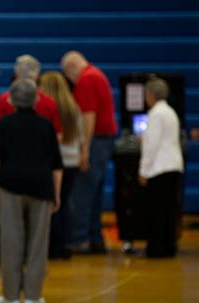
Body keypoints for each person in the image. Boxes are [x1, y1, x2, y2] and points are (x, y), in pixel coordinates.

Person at [0, 79, 63, 303]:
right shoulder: (46, 125)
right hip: (41, 188)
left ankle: (10, 297)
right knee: (38, 243)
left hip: (10, 188)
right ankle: (32, 296)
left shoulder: (4, 124)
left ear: (10, 99)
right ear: (36, 99)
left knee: (11, 242)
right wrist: (56, 194)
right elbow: (56, 165)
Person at [61, 51, 118, 254]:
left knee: (82, 192)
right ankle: (95, 237)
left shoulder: (86, 80)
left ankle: (80, 239)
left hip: (95, 142)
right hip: (105, 140)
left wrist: (84, 150)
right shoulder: (97, 74)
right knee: (94, 192)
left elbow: (88, 117)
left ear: (71, 68)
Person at [40, 71, 84, 259]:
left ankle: (52, 246)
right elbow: (80, 136)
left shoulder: (48, 108)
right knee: (64, 203)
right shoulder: (73, 107)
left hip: (54, 162)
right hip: (72, 161)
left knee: (51, 206)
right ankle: (66, 243)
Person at [139, 78, 184, 258]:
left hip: (159, 167)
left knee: (156, 210)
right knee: (168, 210)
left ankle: (156, 248)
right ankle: (168, 246)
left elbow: (152, 144)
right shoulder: (170, 112)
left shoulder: (156, 114)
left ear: (151, 94)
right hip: (173, 165)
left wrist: (143, 170)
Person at [0, 54, 61, 133]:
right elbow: (57, 135)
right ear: (38, 76)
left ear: (16, 74)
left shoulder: (4, 100)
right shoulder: (49, 103)